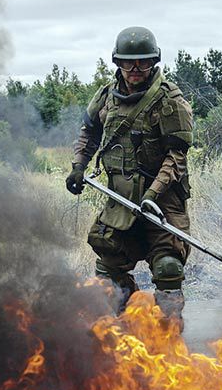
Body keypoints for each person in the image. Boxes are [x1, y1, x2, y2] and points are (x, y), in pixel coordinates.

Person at [65, 26, 194, 322]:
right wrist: (78, 166)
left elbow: (177, 156)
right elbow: (88, 133)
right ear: (117, 62)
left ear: (154, 62)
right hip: (121, 199)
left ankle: (168, 336)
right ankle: (130, 321)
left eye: (143, 62)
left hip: (163, 201)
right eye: (128, 62)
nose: (135, 69)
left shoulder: (169, 101)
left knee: (168, 268)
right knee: (107, 273)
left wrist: (151, 196)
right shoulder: (105, 97)